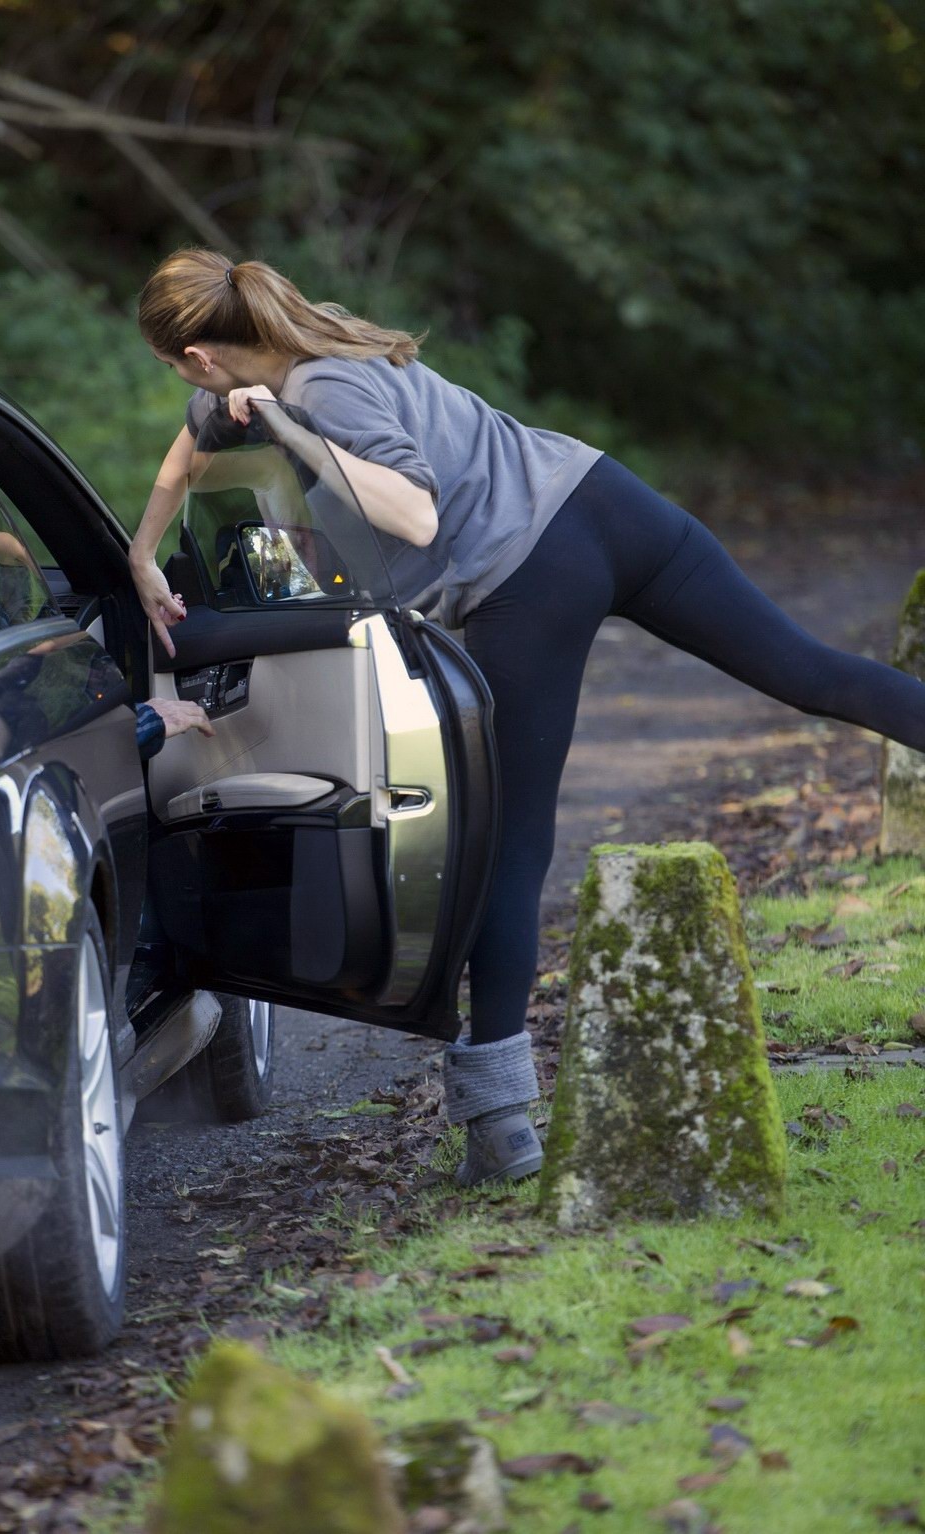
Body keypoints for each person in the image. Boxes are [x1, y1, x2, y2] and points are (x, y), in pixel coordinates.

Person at [128, 247, 925, 1189]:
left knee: (510, 842)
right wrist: (145, 549)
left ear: (195, 355)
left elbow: (416, 516)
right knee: (810, 673)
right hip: (601, 498)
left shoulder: (321, 389)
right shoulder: (303, 342)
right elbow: (192, 446)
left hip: (529, 573)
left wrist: (294, 434)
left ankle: (500, 1125)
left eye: (177, 371)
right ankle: (501, 1119)